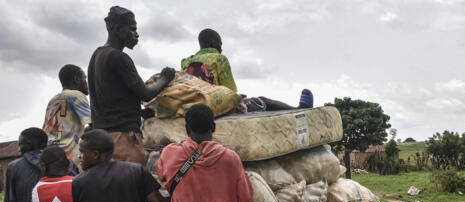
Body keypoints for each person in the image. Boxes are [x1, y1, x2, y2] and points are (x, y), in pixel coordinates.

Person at [88, 6, 176, 165]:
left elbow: (113, 99)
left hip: (102, 137)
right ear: (116, 29)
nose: (137, 34)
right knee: (129, 186)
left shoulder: (98, 54)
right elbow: (146, 94)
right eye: (132, 29)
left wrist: (141, 112)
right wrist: (165, 78)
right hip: (123, 138)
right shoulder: (118, 57)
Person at [181, 28, 313, 112]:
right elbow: (230, 91)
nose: (221, 48)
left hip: (192, 107)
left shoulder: (185, 61)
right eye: (220, 44)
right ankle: (299, 110)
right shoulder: (219, 58)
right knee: (262, 101)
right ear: (212, 43)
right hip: (216, 107)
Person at [42, 64, 91, 165]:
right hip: (69, 157)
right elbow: (94, 124)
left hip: (48, 155)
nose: (86, 82)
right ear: (76, 79)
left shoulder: (53, 100)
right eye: (84, 78)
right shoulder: (76, 95)